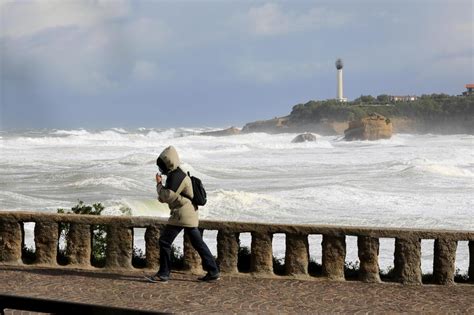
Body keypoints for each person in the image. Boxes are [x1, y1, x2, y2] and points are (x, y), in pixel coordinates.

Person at [145, 146, 220, 283]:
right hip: (188, 213)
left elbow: (166, 196)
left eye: (162, 165)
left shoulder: (176, 176)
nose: (161, 169)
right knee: (198, 243)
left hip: (182, 215)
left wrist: (159, 184)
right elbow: (169, 197)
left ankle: (163, 274)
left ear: (168, 163)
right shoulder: (177, 174)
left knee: (164, 241)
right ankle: (213, 271)